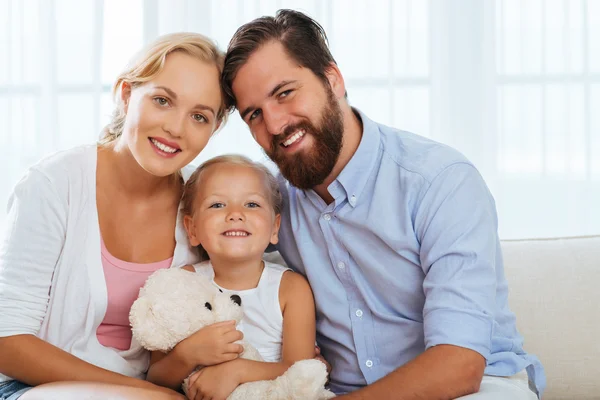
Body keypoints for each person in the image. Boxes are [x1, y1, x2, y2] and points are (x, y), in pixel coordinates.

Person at [221, 9, 546, 400]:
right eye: (254, 114)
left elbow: (459, 365)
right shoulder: (269, 204)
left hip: (475, 388)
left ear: (332, 79)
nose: (273, 125)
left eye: (285, 93)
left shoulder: (440, 181)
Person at [0, 32, 231, 400]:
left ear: (214, 128)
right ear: (126, 94)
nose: (175, 128)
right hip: (32, 388)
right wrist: (144, 392)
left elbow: (249, 281)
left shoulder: (204, 204)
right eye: (162, 100)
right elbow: (7, 341)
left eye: (199, 117)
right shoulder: (55, 184)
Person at [147, 154, 317, 400]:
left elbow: (303, 373)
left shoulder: (290, 289)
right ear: (192, 229)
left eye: (252, 204)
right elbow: (155, 379)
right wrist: (188, 354)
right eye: (217, 205)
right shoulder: (181, 284)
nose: (235, 214)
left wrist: (237, 371)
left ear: (274, 228)